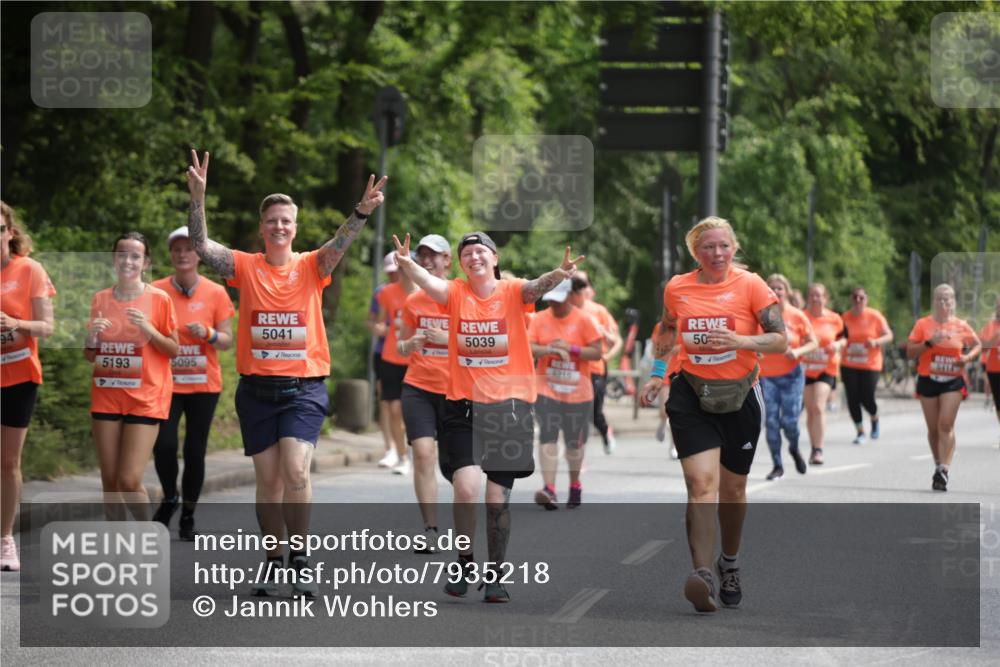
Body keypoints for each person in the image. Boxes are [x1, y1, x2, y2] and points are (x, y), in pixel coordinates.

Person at [186, 148, 385, 596]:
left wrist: (360, 213)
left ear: (295, 229)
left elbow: (340, 245)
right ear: (263, 228)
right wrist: (197, 198)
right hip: (256, 390)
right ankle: (274, 558)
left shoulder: (313, 266)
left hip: (303, 389)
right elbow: (200, 246)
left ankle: (300, 557)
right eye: (272, 220)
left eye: (286, 221)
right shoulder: (243, 266)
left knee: (297, 472)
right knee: (269, 483)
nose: (279, 226)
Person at [392, 231, 581, 603]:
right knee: (465, 488)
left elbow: (534, 289)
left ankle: (495, 573)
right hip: (463, 406)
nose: (474, 257)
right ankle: (464, 560)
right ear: (460, 264)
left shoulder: (512, 291)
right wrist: (406, 263)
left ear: (494, 259)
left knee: (496, 498)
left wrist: (560, 273)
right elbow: (428, 282)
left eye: (481, 252)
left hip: (509, 409)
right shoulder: (455, 294)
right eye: (467, 254)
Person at [640, 217, 786, 613]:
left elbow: (780, 339)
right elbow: (667, 330)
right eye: (708, 247)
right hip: (691, 392)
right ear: (695, 253)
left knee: (734, 491)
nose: (716, 253)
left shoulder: (751, 285)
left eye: (723, 245)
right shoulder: (678, 287)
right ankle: (702, 573)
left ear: (734, 248)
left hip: (740, 394)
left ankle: (730, 562)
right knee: (701, 485)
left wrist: (741, 339)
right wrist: (657, 375)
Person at [85, 233, 179, 520]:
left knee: (128, 481)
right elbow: (90, 355)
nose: (128, 260)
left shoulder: (159, 299)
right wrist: (92, 337)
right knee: (110, 482)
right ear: (114, 259)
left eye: (135, 256)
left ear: (146, 262)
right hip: (107, 395)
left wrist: (149, 330)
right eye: (122, 254)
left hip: (145, 397)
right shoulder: (100, 298)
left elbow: (174, 349)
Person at [151, 226, 235, 540]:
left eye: (188, 248)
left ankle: (188, 514)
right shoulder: (156, 291)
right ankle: (170, 496)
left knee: (195, 450)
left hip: (204, 384)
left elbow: (227, 341)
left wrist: (209, 334)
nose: (183, 254)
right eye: (177, 249)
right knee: (164, 445)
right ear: (171, 255)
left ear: (198, 254)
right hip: (167, 383)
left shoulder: (216, 292)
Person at [0, 201, 55, 572]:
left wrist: (14, 324)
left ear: (10, 232)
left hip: (18, 376)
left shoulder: (30, 269)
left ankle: (5, 540)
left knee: (7, 461)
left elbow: (47, 327)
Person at [396, 234, 452, 550]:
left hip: (455, 389)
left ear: (448, 260)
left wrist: (448, 339)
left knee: (452, 465)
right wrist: (411, 343)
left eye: (435, 255)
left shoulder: (460, 297)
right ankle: (430, 528)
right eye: (423, 255)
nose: (428, 260)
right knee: (422, 453)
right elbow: (400, 346)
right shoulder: (413, 301)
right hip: (418, 386)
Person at [528, 279, 601, 510]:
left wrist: (572, 349)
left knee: (573, 442)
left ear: (569, 296)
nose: (555, 305)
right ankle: (549, 489)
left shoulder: (585, 320)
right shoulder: (539, 319)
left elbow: (597, 353)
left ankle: (575, 484)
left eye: (558, 301)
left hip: (578, 392)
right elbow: (529, 347)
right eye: (550, 301)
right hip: (547, 389)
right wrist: (550, 349)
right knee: (547, 435)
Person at [907, 284, 980, 491]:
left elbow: (977, 344)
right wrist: (930, 343)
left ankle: (944, 470)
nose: (943, 302)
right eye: (939, 298)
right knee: (933, 430)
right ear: (933, 302)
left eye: (947, 299)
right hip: (928, 379)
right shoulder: (923, 324)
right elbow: (911, 352)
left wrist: (966, 358)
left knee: (945, 425)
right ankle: (939, 464)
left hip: (952, 381)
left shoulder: (961, 325)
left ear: (953, 302)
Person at [758, 274, 817, 480]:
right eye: (772, 288)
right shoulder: (761, 316)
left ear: (787, 292)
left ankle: (794, 447)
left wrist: (798, 352)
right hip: (767, 377)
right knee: (772, 423)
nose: (776, 292)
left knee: (790, 422)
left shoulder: (797, 316)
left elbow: (813, 342)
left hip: (792, 376)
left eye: (780, 288)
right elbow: (751, 340)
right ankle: (777, 465)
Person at [568, 272, 622, 454]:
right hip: (573, 368)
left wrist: (606, 347)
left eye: (582, 282)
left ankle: (606, 432)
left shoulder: (598, 311)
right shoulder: (565, 309)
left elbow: (616, 340)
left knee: (594, 412)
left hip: (595, 367)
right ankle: (577, 453)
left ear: (589, 288)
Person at [840, 286, 893, 444]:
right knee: (852, 398)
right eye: (855, 297)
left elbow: (889, 335)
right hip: (849, 363)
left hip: (870, 364)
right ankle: (860, 432)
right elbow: (837, 337)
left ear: (866, 299)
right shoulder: (845, 318)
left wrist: (876, 341)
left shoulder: (875, 316)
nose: (858, 300)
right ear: (851, 299)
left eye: (861, 297)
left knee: (867, 397)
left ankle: (874, 419)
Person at [376, 251, 413, 475]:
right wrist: (380, 328)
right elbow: (380, 321)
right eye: (398, 268)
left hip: (415, 360)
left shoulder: (424, 293)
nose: (401, 272)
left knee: (407, 410)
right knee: (393, 408)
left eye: (405, 267)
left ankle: (411, 448)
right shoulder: (387, 293)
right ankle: (402, 456)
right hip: (390, 356)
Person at [802, 283, 846, 465]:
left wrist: (837, 345)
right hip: (804, 368)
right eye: (812, 295)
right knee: (811, 410)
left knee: (819, 406)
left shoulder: (835, 318)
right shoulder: (801, 317)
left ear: (825, 298)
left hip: (826, 368)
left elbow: (844, 339)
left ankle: (819, 449)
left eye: (819, 295)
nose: (815, 298)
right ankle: (813, 447)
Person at [368, 261, 398, 468]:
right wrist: (378, 328)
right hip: (384, 353)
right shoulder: (382, 292)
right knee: (386, 401)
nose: (393, 276)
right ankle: (390, 449)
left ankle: (404, 446)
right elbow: (371, 321)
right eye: (390, 272)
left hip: (411, 355)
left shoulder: (421, 289)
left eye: (397, 271)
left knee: (403, 405)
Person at [979, 296, 1000, 447]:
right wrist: (994, 339)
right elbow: (983, 348)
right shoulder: (990, 327)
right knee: (998, 404)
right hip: (994, 369)